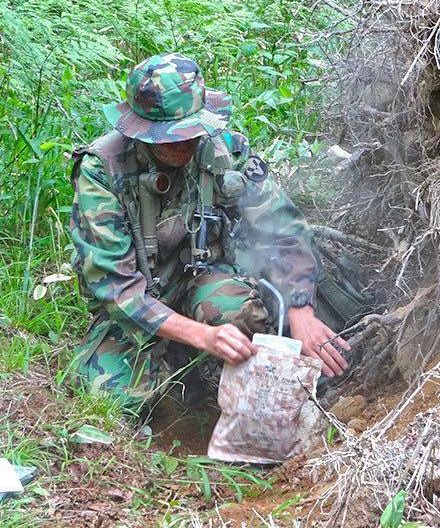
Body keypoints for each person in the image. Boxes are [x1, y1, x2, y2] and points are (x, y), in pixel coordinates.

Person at [70, 52, 350, 415]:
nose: (183, 145)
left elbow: (284, 229)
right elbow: (117, 289)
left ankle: (220, 371)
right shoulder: (101, 171)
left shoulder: (225, 151)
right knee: (109, 395)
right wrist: (204, 336)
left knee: (240, 313)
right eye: (169, 137)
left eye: (190, 132)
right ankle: (179, 367)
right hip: (137, 304)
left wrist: (300, 310)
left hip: (203, 279)